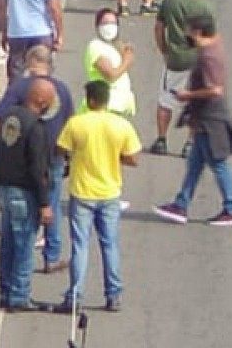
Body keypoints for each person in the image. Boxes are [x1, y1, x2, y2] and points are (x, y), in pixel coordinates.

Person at [54, 78, 141, 315]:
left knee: (80, 245)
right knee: (110, 244)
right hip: (110, 192)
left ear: (90, 100)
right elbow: (133, 158)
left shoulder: (77, 124)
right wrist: (116, 157)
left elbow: (61, 150)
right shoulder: (120, 125)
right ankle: (113, 295)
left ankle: (75, 295)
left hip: (82, 191)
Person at [152, 19, 232, 228]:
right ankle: (181, 204)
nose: (187, 35)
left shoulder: (208, 57)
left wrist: (188, 95)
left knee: (218, 164)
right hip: (203, 117)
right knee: (195, 163)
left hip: (210, 118)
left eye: (189, 31)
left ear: (197, 31)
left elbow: (215, 90)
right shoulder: (214, 47)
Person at [0, 45, 75, 277]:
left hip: (25, 159)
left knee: (23, 215)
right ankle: (52, 255)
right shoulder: (64, 90)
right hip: (56, 156)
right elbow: (71, 122)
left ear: (30, 62)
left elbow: (0, 114)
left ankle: (16, 272)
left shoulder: (20, 87)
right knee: (52, 205)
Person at [0, 76, 56, 313]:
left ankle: (5, 290)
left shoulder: (10, 116)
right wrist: (45, 203)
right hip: (23, 193)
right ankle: (19, 295)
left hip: (4, 188)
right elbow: (37, 169)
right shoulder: (35, 128)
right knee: (24, 245)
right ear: (40, 100)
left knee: (7, 244)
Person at [150, 0, 216, 155]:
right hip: (196, 61)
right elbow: (209, 40)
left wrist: (164, 49)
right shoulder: (206, 9)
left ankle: (162, 140)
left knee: (166, 101)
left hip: (175, 59)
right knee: (195, 104)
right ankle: (189, 145)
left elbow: (159, 27)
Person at [84, 7, 137, 120]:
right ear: (97, 26)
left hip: (116, 107)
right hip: (104, 107)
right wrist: (127, 60)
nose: (109, 26)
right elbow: (111, 75)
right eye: (105, 23)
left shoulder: (111, 47)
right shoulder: (96, 46)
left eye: (113, 23)